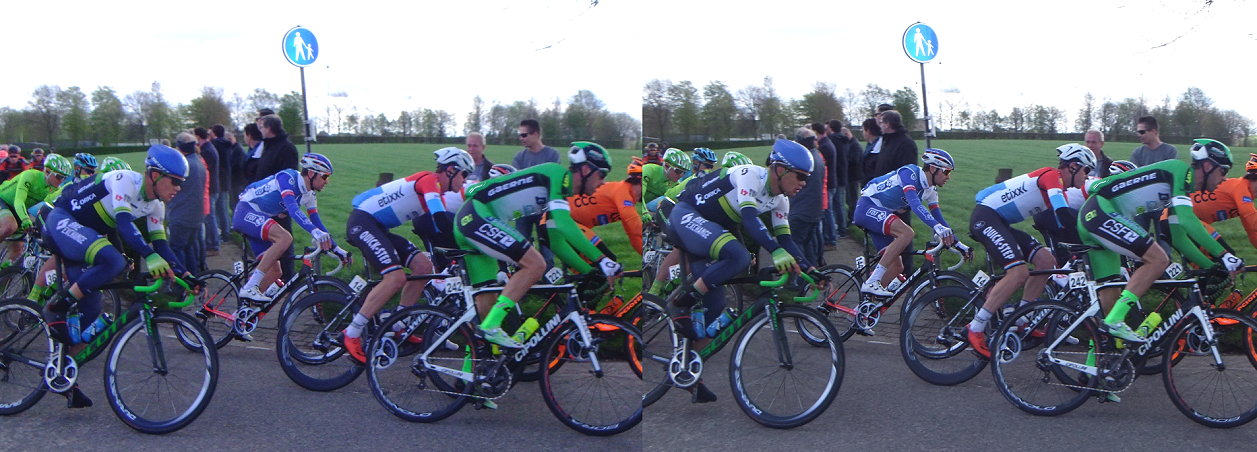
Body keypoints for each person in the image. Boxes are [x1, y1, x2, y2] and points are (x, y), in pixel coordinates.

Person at [41, 145, 193, 408]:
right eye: (175, 181)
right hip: (63, 219)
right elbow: (123, 223)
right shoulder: (125, 180)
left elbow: (161, 246)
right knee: (113, 260)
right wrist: (149, 255)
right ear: (154, 175)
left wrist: (186, 274)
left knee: (92, 315)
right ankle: (56, 306)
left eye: (182, 182)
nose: (179, 188)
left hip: (85, 235)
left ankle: (63, 374)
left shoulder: (156, 206)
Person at [456, 142, 622, 348]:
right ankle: (492, 325)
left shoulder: (557, 194)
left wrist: (589, 272)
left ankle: (472, 365)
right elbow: (565, 223)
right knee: (535, 264)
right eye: (602, 174)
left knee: (485, 309)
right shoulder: (558, 174)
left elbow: (556, 242)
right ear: (586, 169)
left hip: (473, 219)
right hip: (476, 215)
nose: (602, 182)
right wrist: (602, 260)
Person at [1080, 138, 1242, 345]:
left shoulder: (1179, 189)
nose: (1224, 179)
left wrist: (1211, 267)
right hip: (1100, 211)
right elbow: (1188, 220)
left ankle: (1096, 360)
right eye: (1223, 171)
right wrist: (1225, 256)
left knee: (1109, 299)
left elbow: (1177, 236)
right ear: (1208, 166)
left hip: (1097, 215)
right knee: (1158, 259)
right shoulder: (1181, 171)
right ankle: (1116, 320)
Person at [340, 148, 472, 362]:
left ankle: (398, 323)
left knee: (423, 266)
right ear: (450, 170)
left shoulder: (438, 192)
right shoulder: (429, 181)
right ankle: (352, 332)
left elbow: (443, 226)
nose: (464, 180)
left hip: (378, 227)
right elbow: (440, 220)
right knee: (395, 277)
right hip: (363, 222)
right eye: (464, 174)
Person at [964, 144, 1096, 357]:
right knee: (1018, 272)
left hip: (1000, 222)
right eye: (1086, 170)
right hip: (986, 217)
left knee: (1046, 261)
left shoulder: (1060, 189)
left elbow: (1063, 224)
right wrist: (1092, 237)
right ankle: (976, 326)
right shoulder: (1052, 176)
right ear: (1073, 167)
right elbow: (1063, 215)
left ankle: (1021, 317)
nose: (1087, 176)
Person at [232, 153, 347, 304]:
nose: (327, 181)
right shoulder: (287, 177)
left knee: (275, 272)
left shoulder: (309, 195)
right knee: (285, 238)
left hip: (259, 218)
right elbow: (293, 209)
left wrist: (337, 248)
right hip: (246, 210)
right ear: (311, 173)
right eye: (325, 176)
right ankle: (250, 287)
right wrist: (314, 232)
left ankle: (242, 311)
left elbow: (317, 222)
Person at [855, 149, 966, 297]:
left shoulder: (930, 190)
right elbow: (914, 204)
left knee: (896, 268)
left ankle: (865, 304)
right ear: (933, 168)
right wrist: (936, 227)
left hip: (881, 215)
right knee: (907, 233)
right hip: (867, 206)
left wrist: (959, 244)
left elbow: (938, 217)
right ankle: (872, 282)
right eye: (946, 172)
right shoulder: (909, 173)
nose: (948, 177)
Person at [249, 114, 301, 280]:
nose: (260, 130)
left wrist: (285, 207)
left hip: (278, 206)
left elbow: (290, 177)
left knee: (283, 244)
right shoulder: (268, 146)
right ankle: (270, 278)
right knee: (269, 244)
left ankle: (287, 281)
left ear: (269, 128)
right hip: (263, 203)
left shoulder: (286, 148)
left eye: (262, 127)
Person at [0, 154, 72, 263]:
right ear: (47, 171)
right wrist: (25, 219)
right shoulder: (30, 175)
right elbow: (18, 200)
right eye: (59, 177)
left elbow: (50, 208)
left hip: (18, 209)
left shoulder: (53, 189)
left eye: (64, 178)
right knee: (10, 226)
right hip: (3, 199)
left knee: (18, 249)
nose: (61, 180)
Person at [568, 158, 644, 254]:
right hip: (566, 217)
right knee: (604, 258)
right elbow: (633, 223)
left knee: (600, 259)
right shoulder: (622, 191)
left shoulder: (628, 198)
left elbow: (634, 235)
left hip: (575, 223)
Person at [167, 132, 208, 273]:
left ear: (180, 147)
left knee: (177, 248)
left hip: (181, 213)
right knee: (189, 248)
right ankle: (193, 278)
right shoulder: (199, 162)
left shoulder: (184, 165)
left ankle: (181, 280)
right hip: (196, 214)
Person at [789, 127, 827, 268]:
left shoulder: (805, 160)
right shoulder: (817, 156)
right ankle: (813, 270)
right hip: (814, 207)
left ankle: (800, 275)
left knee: (796, 243)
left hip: (801, 208)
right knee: (809, 243)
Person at [195, 127, 222, 256]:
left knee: (210, 218)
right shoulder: (209, 148)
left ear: (198, 137)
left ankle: (213, 245)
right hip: (212, 187)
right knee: (210, 217)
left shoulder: (207, 151)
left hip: (210, 189)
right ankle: (213, 244)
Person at [210, 125, 236, 242]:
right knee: (223, 208)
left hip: (219, 179)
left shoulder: (215, 145)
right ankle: (226, 232)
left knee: (219, 208)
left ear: (214, 133)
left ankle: (223, 233)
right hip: (226, 179)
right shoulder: (227, 145)